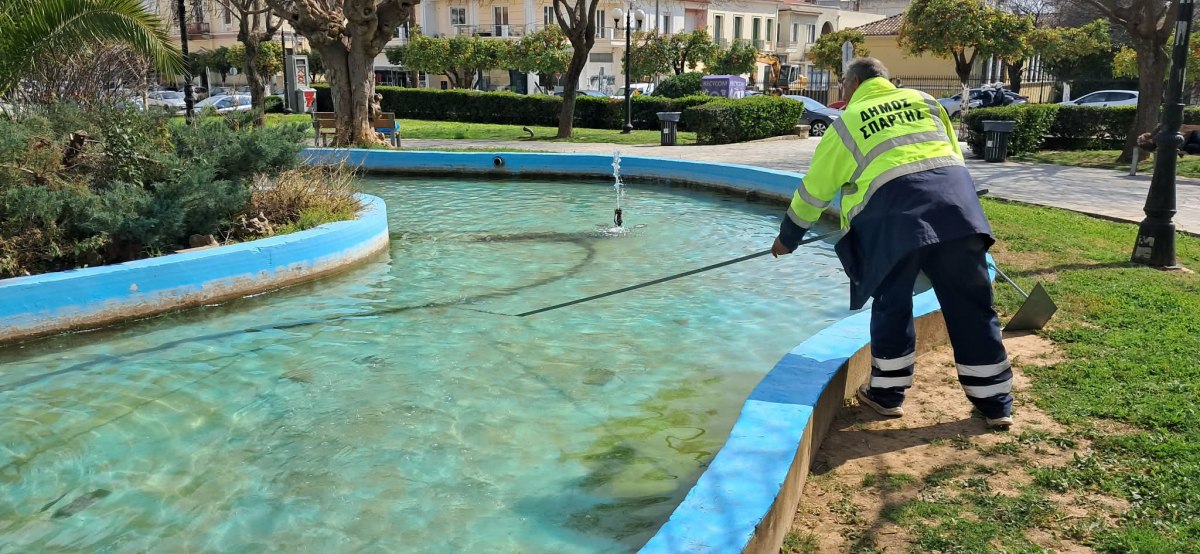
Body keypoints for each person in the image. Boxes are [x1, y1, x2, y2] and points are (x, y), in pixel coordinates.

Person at [770, 57, 1014, 429]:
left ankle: (887, 395)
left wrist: (788, 239)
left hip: (892, 226)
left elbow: (813, 192)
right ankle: (995, 403)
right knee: (972, 306)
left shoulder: (847, 124)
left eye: (842, 85)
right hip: (957, 212)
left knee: (891, 305)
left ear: (852, 84)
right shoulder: (926, 102)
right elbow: (948, 156)